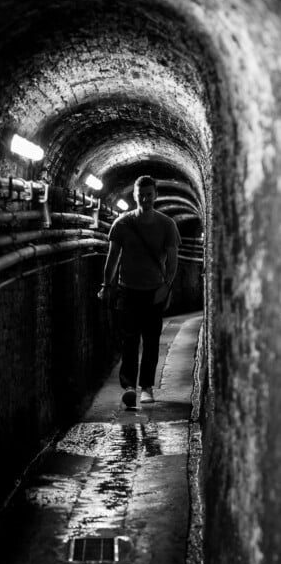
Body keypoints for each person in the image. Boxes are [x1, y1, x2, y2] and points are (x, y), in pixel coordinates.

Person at [98, 175, 181, 408]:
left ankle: (146, 387)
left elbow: (173, 262)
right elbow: (112, 258)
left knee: (152, 340)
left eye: (148, 195)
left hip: (154, 291)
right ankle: (129, 387)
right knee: (129, 341)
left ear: (155, 195)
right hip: (127, 290)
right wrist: (106, 286)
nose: (144, 199)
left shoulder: (167, 225)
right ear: (135, 196)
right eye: (140, 195)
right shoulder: (122, 224)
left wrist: (166, 287)